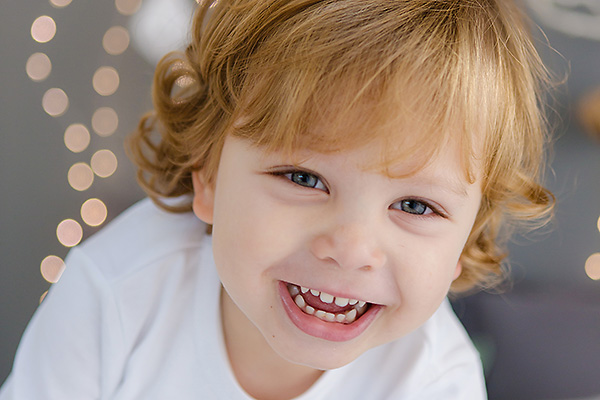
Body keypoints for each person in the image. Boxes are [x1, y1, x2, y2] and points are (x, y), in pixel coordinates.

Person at [0, 0, 555, 398]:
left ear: (466, 237)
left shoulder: (434, 380)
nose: (351, 247)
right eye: (304, 178)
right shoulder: (116, 293)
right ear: (209, 175)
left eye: (415, 206)